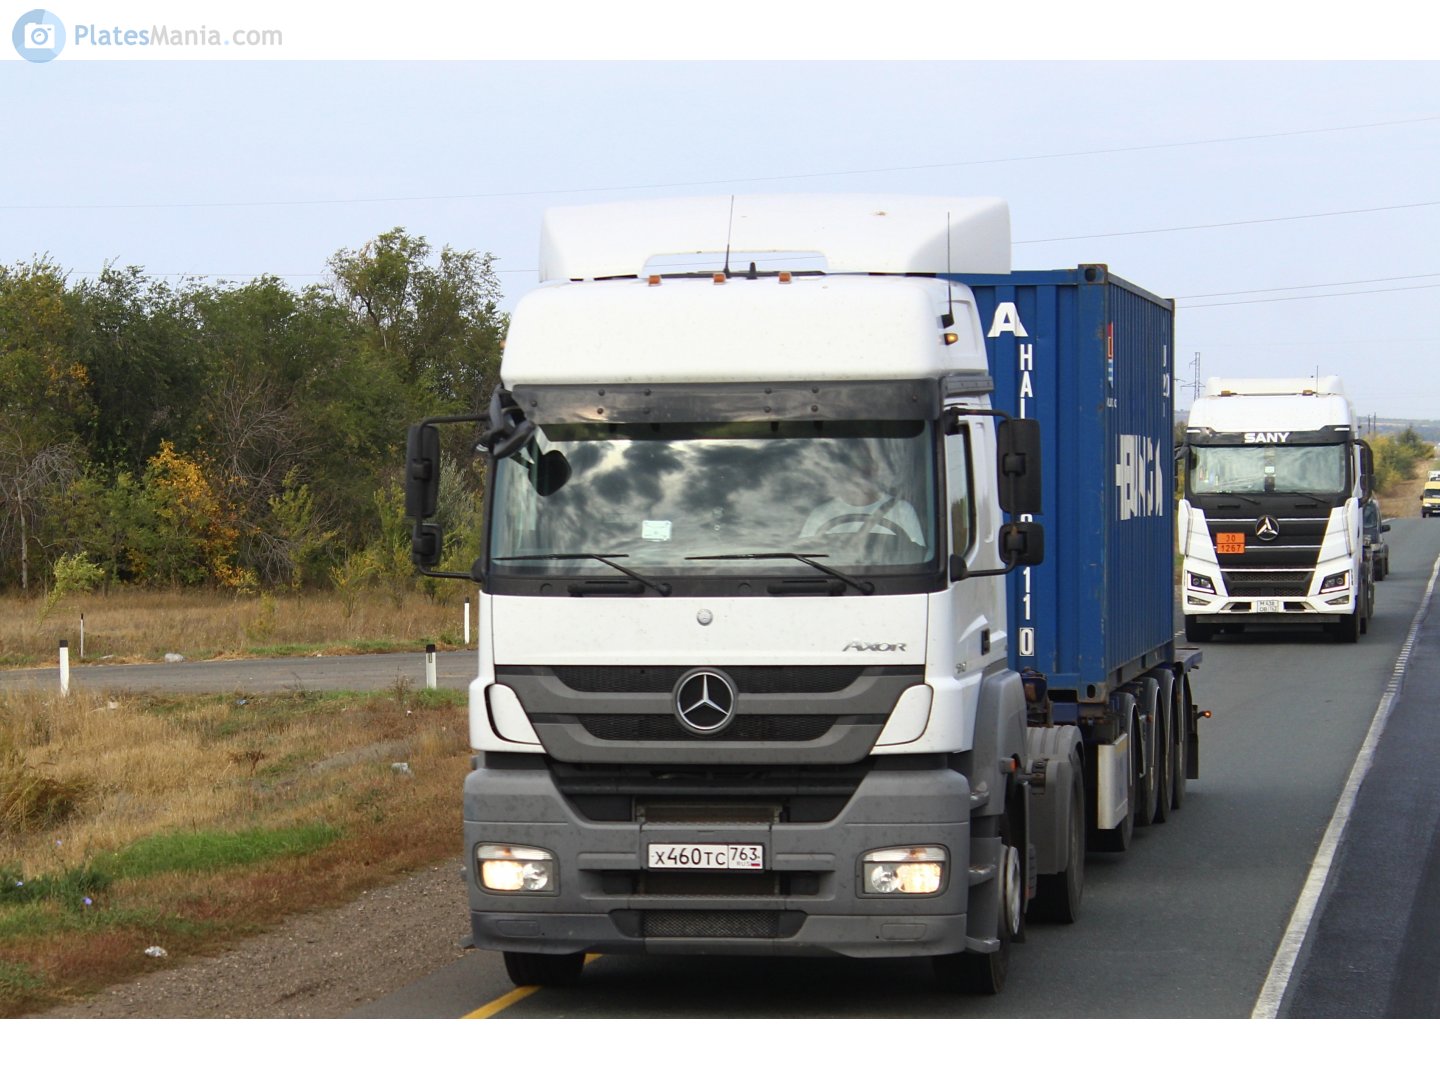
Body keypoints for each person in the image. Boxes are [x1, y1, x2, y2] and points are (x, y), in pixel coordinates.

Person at [798, 441, 925, 547]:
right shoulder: (821, 515)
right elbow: (804, 562)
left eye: (863, 470)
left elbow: (918, 557)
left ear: (874, 468)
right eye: (853, 470)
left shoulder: (901, 511)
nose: (858, 478)